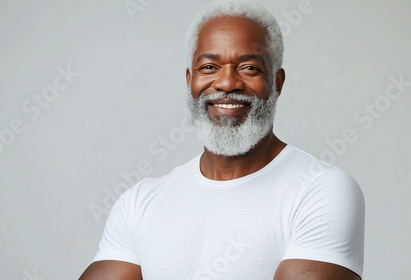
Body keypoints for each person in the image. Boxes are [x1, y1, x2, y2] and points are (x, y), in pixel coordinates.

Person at [79, 1, 365, 279]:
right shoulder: (140, 202)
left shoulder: (320, 190)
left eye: (249, 68)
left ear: (277, 83)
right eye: (209, 68)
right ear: (190, 80)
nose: (227, 83)